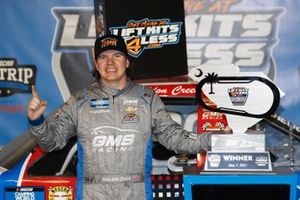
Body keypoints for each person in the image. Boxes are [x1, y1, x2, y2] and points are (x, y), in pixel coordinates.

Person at [27, 34, 212, 200]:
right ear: (96, 64)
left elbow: (175, 138)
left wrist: (215, 141)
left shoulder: (147, 99)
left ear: (127, 62)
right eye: (103, 57)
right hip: (93, 195)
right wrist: (37, 120)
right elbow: (51, 142)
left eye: (117, 56)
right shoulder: (80, 101)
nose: (110, 63)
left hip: (135, 194)